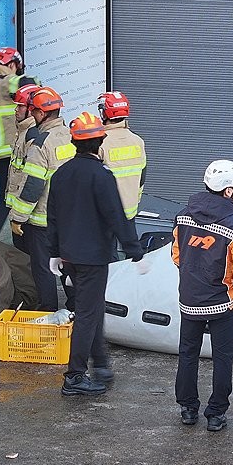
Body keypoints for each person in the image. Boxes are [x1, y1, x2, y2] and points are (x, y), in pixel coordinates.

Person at [46, 112, 145, 396]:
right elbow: (116, 216)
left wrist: (54, 251)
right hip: (93, 259)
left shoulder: (61, 174)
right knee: (88, 315)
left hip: (69, 257)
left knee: (92, 310)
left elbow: (52, 216)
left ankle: (100, 363)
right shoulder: (102, 176)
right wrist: (135, 251)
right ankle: (74, 377)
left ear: (75, 143)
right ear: (100, 142)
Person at [173, 159, 233, 432]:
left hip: (189, 298)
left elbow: (177, 256)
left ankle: (187, 408)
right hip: (223, 302)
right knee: (222, 357)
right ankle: (216, 413)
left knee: (188, 353)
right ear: (229, 191)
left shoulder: (183, 216)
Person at [9, 87, 73, 310]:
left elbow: (33, 186)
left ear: (41, 113)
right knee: (67, 265)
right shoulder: (70, 135)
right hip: (68, 216)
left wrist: (18, 217)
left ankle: (48, 309)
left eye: (32, 110)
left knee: (43, 267)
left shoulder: (41, 143)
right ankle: (74, 307)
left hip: (42, 219)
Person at [0, 46, 35, 239]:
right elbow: (29, 84)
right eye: (16, 68)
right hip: (9, 149)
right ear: (11, 65)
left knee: (7, 196)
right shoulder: (4, 81)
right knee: (13, 198)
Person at [97, 91, 147, 220]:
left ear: (104, 113)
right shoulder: (138, 141)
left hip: (105, 214)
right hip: (130, 211)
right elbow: (141, 178)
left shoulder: (100, 143)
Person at [4, 83, 41, 252]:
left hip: (27, 212)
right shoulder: (23, 131)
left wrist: (20, 216)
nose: (16, 110)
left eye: (20, 106)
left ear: (31, 109)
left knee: (27, 255)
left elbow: (32, 180)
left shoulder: (32, 135)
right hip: (20, 208)